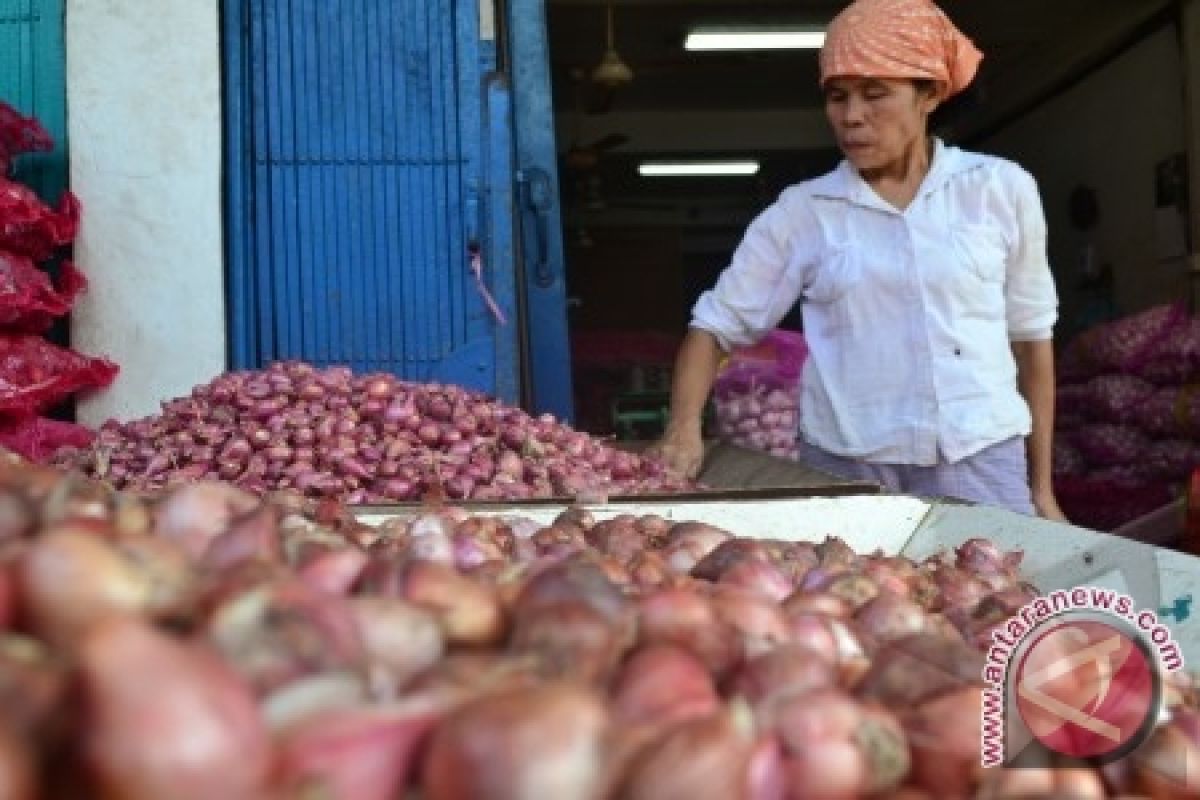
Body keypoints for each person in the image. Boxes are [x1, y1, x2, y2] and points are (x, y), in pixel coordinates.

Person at [649, 0, 1066, 521]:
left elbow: (1032, 340)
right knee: (854, 600)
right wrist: (682, 429)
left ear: (929, 94)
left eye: (875, 95)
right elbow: (713, 328)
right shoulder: (804, 213)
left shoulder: (999, 189)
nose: (851, 117)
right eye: (836, 97)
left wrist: (1042, 489)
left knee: (996, 597)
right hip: (847, 470)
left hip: (979, 460)